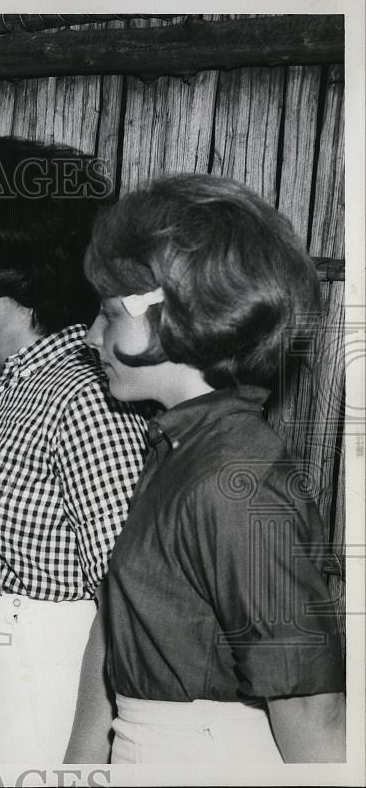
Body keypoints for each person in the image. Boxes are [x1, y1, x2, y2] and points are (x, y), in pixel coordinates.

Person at [66, 173, 346, 764]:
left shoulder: (237, 476)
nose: (91, 335)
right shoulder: (179, 449)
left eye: (109, 314)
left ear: (177, 317)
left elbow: (310, 710)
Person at [0, 137, 148, 763]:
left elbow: (127, 601)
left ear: (18, 266)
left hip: (47, 693)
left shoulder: (86, 397)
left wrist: (88, 754)